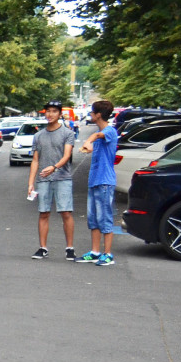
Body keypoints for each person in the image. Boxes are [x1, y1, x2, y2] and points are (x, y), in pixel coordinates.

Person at [27, 100, 76, 260]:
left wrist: (54, 167)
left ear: (60, 114)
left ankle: (69, 248)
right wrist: (30, 183)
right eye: (48, 111)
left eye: (54, 111)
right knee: (43, 213)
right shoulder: (38, 135)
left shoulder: (67, 133)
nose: (50, 114)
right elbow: (35, 160)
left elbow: (67, 155)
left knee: (66, 212)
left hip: (63, 178)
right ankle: (43, 248)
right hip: (43, 180)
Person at [77, 99, 119, 266]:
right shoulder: (102, 134)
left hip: (105, 182)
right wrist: (89, 147)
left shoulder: (109, 131)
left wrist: (89, 140)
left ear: (98, 115)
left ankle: (108, 254)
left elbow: (97, 135)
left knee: (105, 217)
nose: (90, 115)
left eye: (92, 112)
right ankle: (95, 252)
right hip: (94, 181)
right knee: (93, 218)